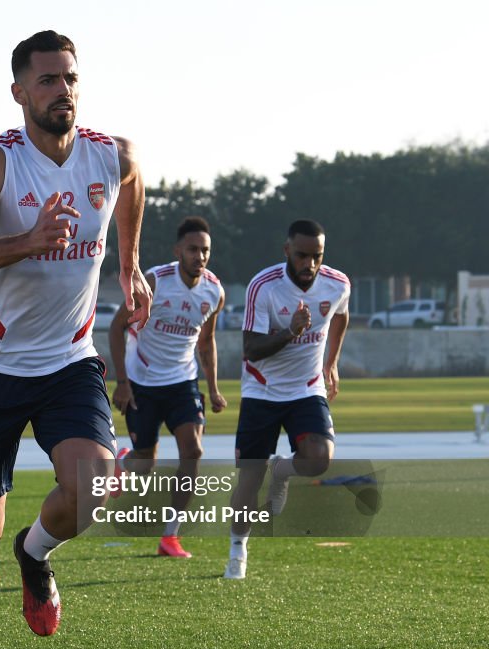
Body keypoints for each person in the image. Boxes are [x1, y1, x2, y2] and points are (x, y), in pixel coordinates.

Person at [0, 30, 152, 649]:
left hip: (68, 361)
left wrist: (129, 260)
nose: (65, 91)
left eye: (72, 78)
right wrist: (27, 240)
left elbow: (133, 180)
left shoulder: (108, 156)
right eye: (49, 80)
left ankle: (35, 553)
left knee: (95, 485)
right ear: (20, 91)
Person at [223, 219, 350, 580]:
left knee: (319, 459)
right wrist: (291, 331)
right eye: (301, 255)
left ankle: (282, 470)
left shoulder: (337, 283)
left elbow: (341, 316)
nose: (309, 264)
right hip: (261, 389)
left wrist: (332, 364)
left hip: (306, 388)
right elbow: (250, 350)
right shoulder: (263, 286)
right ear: (286, 251)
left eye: (317, 256)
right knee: (248, 477)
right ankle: (237, 549)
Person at [109, 216, 226, 558]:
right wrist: (122, 382)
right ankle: (124, 462)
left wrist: (214, 388)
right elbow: (118, 328)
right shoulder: (154, 281)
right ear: (178, 251)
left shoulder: (214, 291)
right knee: (145, 464)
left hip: (182, 383)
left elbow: (207, 341)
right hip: (142, 383)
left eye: (205, 250)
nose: (199, 256)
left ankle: (170, 536)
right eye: (193, 249)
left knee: (193, 452)